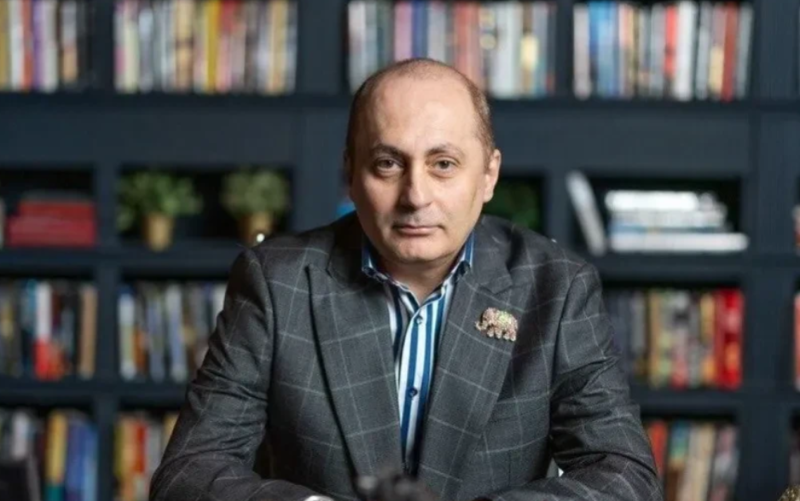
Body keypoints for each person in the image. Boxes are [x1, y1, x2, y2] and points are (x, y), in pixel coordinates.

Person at [150, 58, 662, 501]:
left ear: (488, 175)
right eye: (387, 163)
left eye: (444, 164)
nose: (415, 196)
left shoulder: (558, 287)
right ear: (351, 173)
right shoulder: (277, 282)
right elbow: (189, 473)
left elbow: (625, 476)